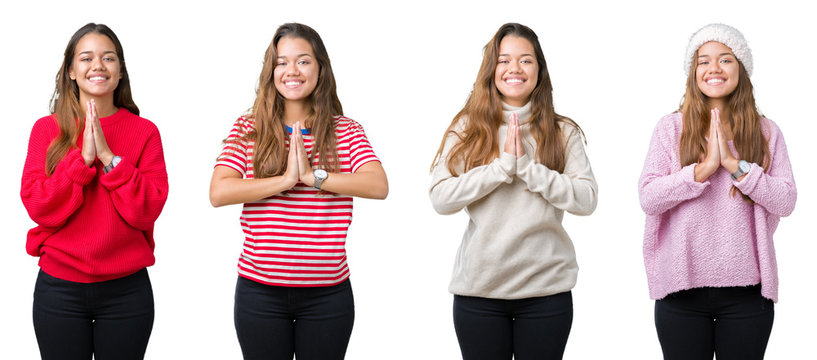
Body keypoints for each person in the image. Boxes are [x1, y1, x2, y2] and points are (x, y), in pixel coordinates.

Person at [209, 23, 388, 360]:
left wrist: (314, 176)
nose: (292, 71)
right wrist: (287, 180)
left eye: (303, 61)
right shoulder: (249, 128)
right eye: (281, 62)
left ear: (320, 68)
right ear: (270, 71)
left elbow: (377, 185)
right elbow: (219, 192)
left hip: (328, 296)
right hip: (259, 293)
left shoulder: (345, 131)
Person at [429, 23, 597, 360]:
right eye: (504, 60)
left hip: (547, 291)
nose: (514, 69)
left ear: (539, 69)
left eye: (526, 60)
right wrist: (501, 168)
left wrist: (528, 169)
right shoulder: (468, 128)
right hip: (479, 293)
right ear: (492, 70)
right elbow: (440, 198)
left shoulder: (563, 131)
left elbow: (587, 199)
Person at [638, 23, 797, 360]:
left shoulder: (767, 131)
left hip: (747, 295)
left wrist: (735, 165)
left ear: (741, 68)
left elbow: (785, 201)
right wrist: (704, 169)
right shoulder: (670, 128)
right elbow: (649, 197)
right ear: (693, 72)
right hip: (680, 291)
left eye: (725, 59)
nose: (714, 69)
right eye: (703, 61)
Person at [21, 23, 168, 360]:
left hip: (126, 292)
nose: (98, 66)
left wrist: (109, 159)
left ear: (120, 71)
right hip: (59, 289)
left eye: (108, 58)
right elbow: (38, 206)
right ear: (71, 70)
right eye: (86, 58)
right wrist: (81, 162)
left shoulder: (144, 132)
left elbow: (147, 209)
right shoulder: (46, 130)